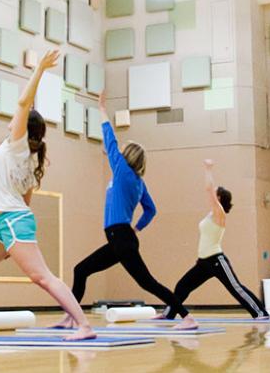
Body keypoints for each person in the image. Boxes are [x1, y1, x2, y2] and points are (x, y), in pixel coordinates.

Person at [0, 50, 95, 341]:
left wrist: (40, 69)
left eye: (17, 120)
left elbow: (23, 101)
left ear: (23, 127)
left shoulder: (17, 147)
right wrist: (6, 239)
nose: (10, 121)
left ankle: (83, 325)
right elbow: (26, 200)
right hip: (4, 225)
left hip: (11, 221)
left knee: (41, 277)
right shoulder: (26, 158)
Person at [64, 93, 197, 330]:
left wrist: (102, 109)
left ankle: (187, 317)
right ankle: (71, 317)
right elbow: (151, 210)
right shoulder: (137, 181)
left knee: (147, 282)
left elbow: (109, 140)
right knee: (81, 269)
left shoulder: (123, 171)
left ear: (127, 158)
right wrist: (136, 228)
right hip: (121, 237)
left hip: (121, 237)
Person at [159, 160, 268, 320]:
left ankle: (260, 313)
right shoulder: (211, 215)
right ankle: (169, 314)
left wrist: (208, 169)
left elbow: (209, 188)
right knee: (183, 285)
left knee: (235, 288)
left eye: (214, 194)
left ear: (219, 198)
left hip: (216, 260)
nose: (211, 195)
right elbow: (210, 191)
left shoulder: (219, 213)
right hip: (203, 262)